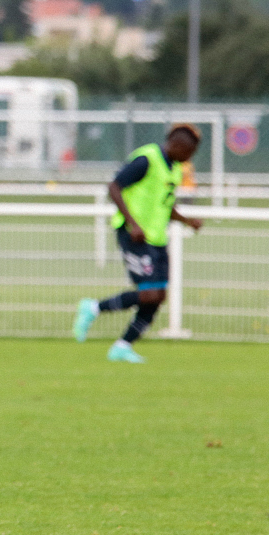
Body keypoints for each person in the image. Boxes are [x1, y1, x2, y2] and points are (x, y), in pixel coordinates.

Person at [72, 124, 204, 364]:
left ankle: (122, 346)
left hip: (156, 238)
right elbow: (114, 187)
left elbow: (164, 205)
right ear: (176, 145)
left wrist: (187, 221)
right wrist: (132, 223)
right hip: (134, 235)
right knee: (148, 293)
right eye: (188, 153)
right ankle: (93, 308)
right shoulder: (147, 159)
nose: (189, 159)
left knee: (158, 295)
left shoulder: (174, 169)